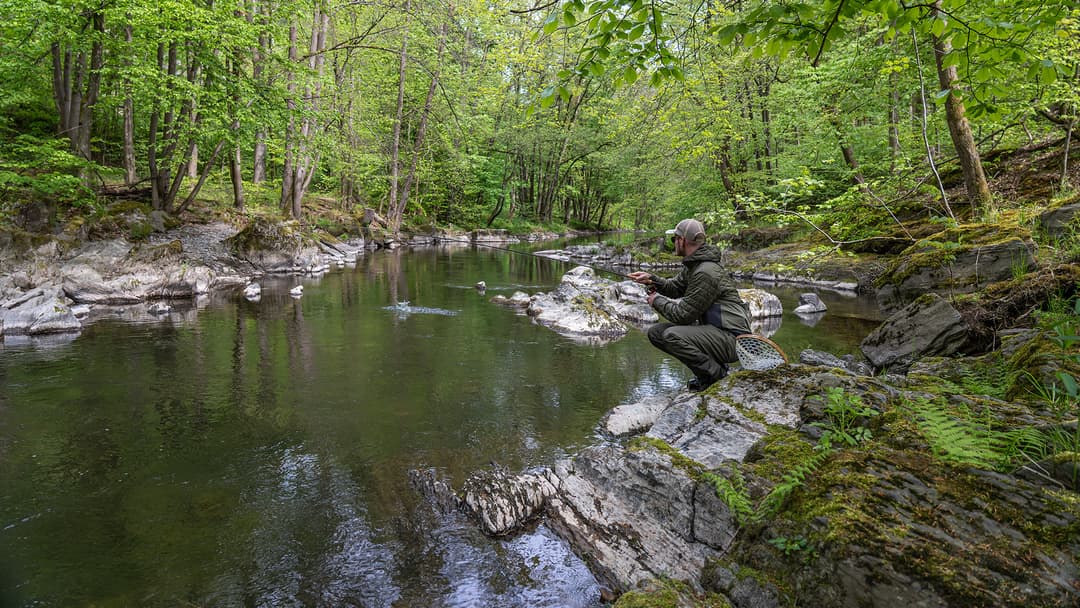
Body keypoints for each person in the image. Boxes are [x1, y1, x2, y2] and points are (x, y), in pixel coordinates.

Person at [628, 218, 751, 392]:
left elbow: (683, 316)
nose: (673, 243)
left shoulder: (706, 272)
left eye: (674, 239)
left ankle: (716, 376)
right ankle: (706, 374)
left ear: (682, 240)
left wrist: (656, 300)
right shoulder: (695, 266)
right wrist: (651, 279)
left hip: (734, 340)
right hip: (717, 333)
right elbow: (674, 288)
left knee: (672, 335)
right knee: (656, 333)